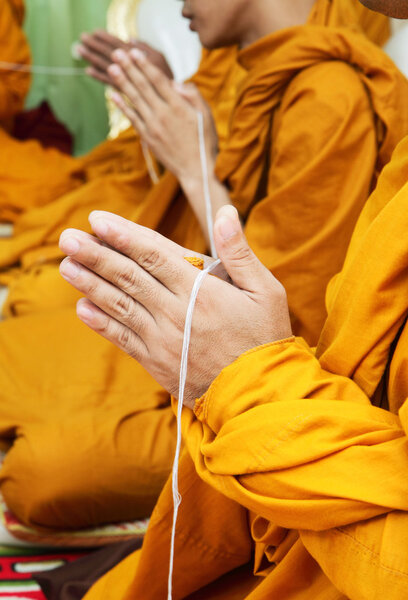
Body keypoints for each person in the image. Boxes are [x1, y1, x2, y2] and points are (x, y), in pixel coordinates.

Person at [0, 0, 406, 535]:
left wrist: (193, 164)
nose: (181, 4)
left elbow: (289, 324)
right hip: (207, 335)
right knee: (21, 343)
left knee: (41, 474)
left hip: (264, 381)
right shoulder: (256, 69)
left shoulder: (329, 95)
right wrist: (167, 113)